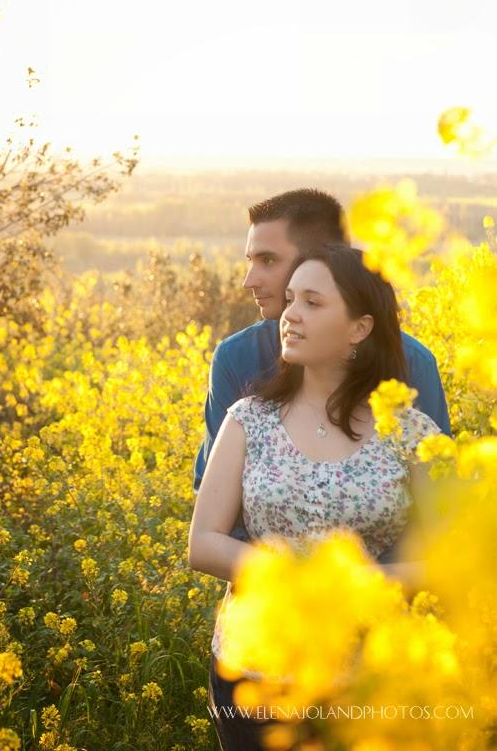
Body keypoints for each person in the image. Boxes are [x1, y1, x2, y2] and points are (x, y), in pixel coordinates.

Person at [188, 244, 444, 750]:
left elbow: (443, 561)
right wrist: (297, 577)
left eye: (312, 302)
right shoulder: (248, 420)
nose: (290, 315)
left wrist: (352, 584)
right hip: (255, 673)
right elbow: (203, 543)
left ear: (359, 328)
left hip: (369, 680)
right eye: (289, 300)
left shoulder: (413, 434)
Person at [193, 189, 450, 499]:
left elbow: (438, 503)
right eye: (251, 260)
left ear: (324, 259)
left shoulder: (412, 362)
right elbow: (214, 499)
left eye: (268, 261)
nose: (249, 280)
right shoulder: (236, 358)